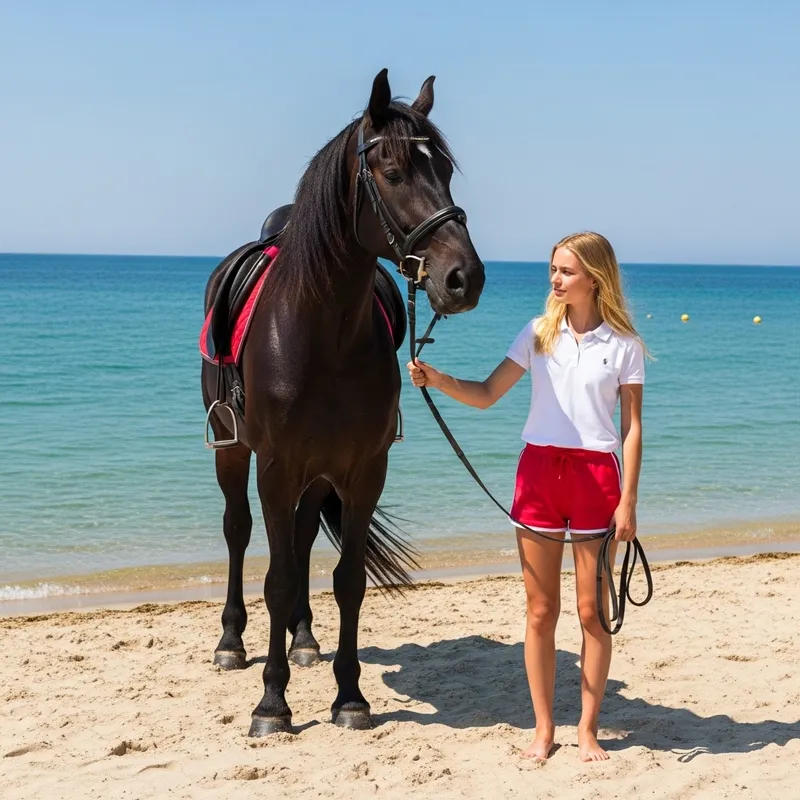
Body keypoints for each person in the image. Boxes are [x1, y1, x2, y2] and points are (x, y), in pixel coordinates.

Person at [407, 232, 646, 762]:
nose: (556, 279)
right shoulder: (538, 333)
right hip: (538, 476)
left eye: (566, 271)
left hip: (596, 479)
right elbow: (488, 394)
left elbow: (632, 428)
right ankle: (544, 728)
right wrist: (438, 379)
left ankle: (587, 729)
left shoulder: (624, 345)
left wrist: (628, 498)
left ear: (594, 278)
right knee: (540, 611)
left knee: (592, 612)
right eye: (553, 269)